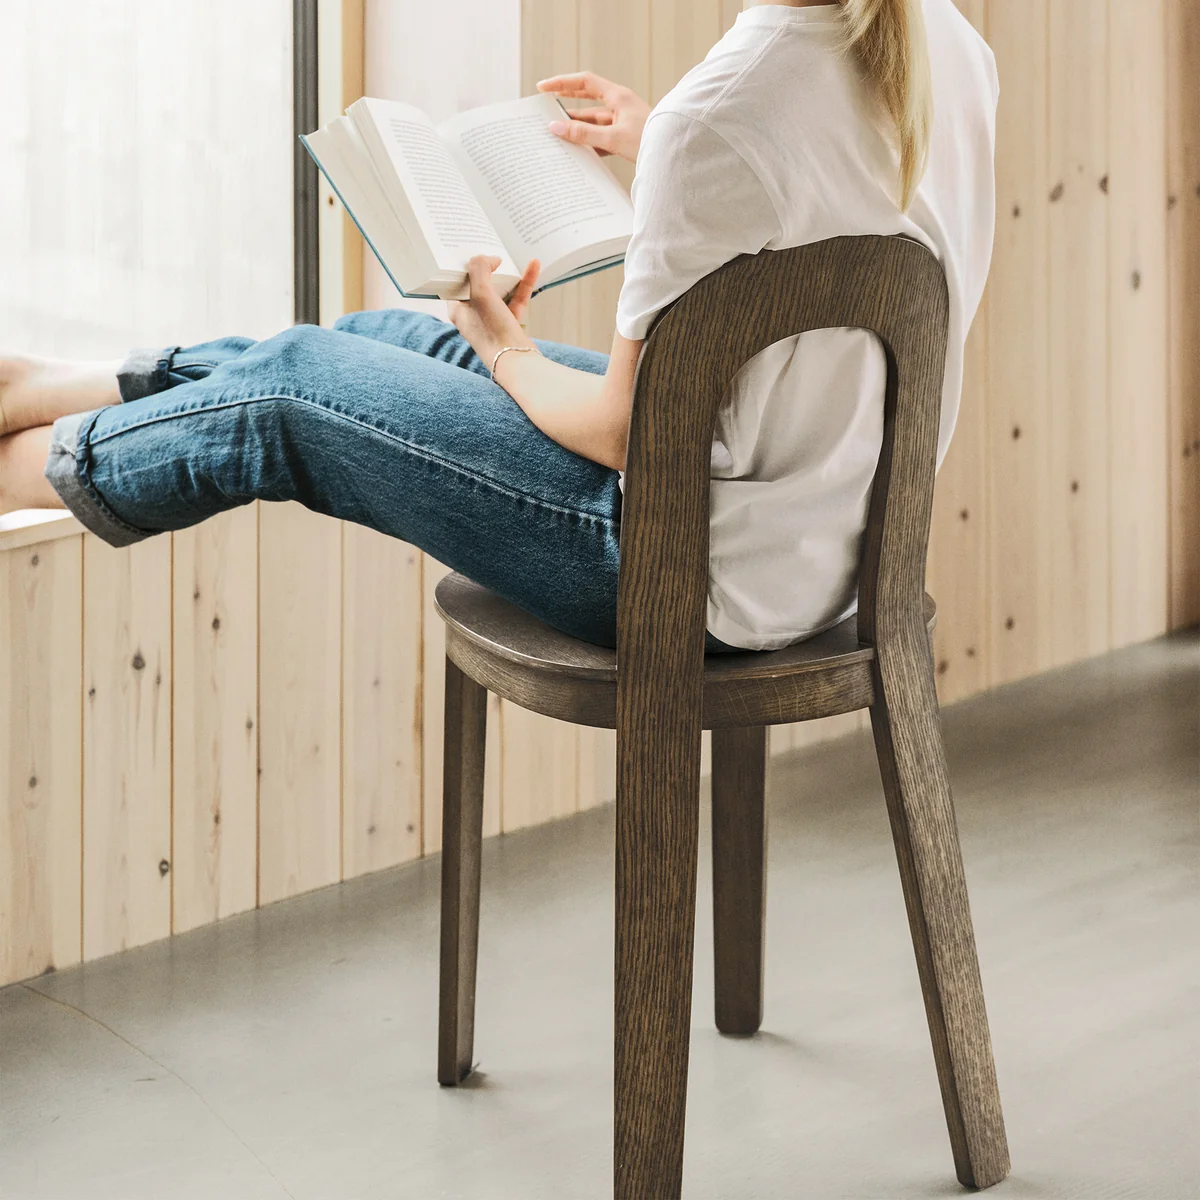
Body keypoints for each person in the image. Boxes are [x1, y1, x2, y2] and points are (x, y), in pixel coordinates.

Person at [0, 0, 997, 652]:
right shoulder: (945, 41)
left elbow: (624, 432)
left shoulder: (723, 114)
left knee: (295, 390)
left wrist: (501, 342)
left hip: (682, 570)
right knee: (386, 337)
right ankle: (54, 385)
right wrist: (661, 138)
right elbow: (827, 178)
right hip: (824, 545)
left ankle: (19, 464)